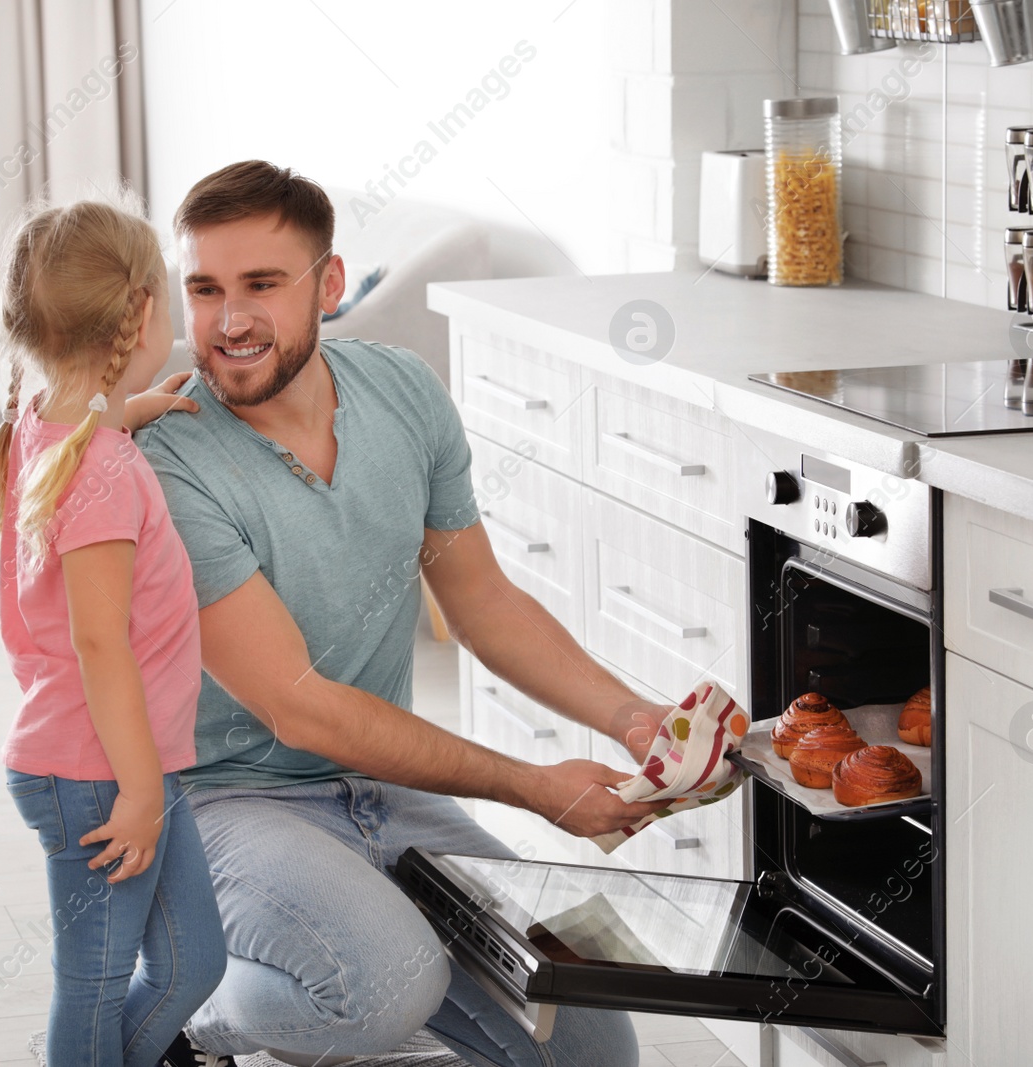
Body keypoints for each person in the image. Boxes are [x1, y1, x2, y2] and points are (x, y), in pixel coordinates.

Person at [134, 161, 674, 1067]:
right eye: (205, 289)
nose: (229, 322)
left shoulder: (405, 392)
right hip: (227, 800)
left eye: (262, 285)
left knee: (590, 1039)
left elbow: (483, 601)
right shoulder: (172, 450)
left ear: (329, 284)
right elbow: (297, 705)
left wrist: (630, 717)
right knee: (384, 986)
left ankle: (366, 929)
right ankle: (187, 1010)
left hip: (384, 791)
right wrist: (533, 785)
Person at [0, 195, 230, 1067]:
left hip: (123, 757)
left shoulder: (52, 425)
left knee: (196, 959)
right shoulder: (102, 472)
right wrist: (142, 792)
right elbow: (100, 643)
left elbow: (90, 429)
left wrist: (133, 409)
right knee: (93, 983)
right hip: (100, 772)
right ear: (144, 311)